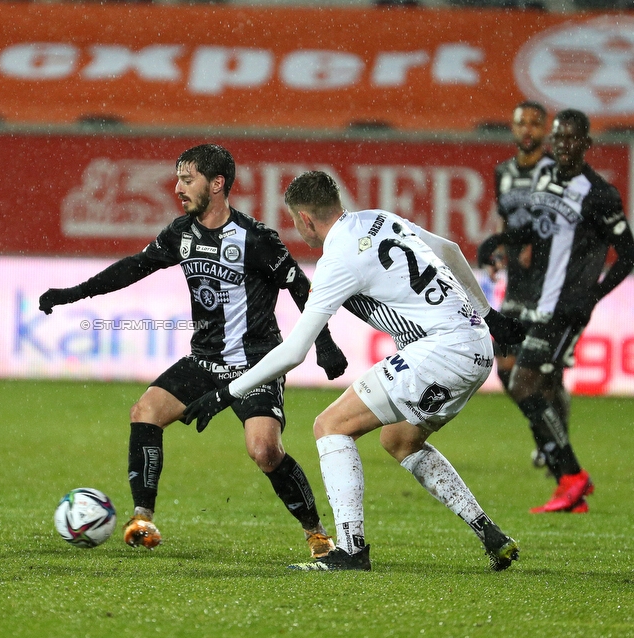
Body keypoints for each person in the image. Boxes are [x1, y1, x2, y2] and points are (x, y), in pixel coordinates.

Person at [184, 170, 526, 572]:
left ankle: (349, 550)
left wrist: (227, 393)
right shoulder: (381, 218)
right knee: (399, 440)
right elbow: (449, 249)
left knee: (330, 426)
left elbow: (294, 350)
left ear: (306, 219)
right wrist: (490, 316)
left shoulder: (338, 259)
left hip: (442, 351)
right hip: (476, 347)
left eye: (295, 220)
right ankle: (490, 534)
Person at [39, 144, 348, 555]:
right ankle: (142, 517)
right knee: (144, 412)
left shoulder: (256, 239)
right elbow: (134, 266)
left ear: (217, 184)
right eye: (178, 179)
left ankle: (316, 532)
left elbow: (297, 284)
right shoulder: (180, 233)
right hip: (204, 360)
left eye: (188, 180)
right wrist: (73, 293)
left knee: (265, 451)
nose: (178, 188)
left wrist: (324, 344)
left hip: (255, 363)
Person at [480, 109, 634, 514]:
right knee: (520, 379)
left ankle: (570, 476)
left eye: (572, 139)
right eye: (560, 138)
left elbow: (628, 254)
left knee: (529, 382)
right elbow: (534, 230)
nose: (564, 145)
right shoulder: (547, 179)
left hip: (568, 307)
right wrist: (499, 239)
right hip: (538, 302)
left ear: (586, 144)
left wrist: (594, 295)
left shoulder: (600, 193)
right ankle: (567, 481)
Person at [479, 101, 556, 471]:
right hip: (517, 287)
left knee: (544, 373)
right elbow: (503, 218)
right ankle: (544, 431)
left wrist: (537, 245)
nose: (527, 130)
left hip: (550, 286)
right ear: (513, 128)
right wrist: (497, 253)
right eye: (521, 123)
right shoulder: (504, 173)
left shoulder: (555, 172)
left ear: (545, 130)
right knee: (507, 366)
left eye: (534, 124)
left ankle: (554, 446)